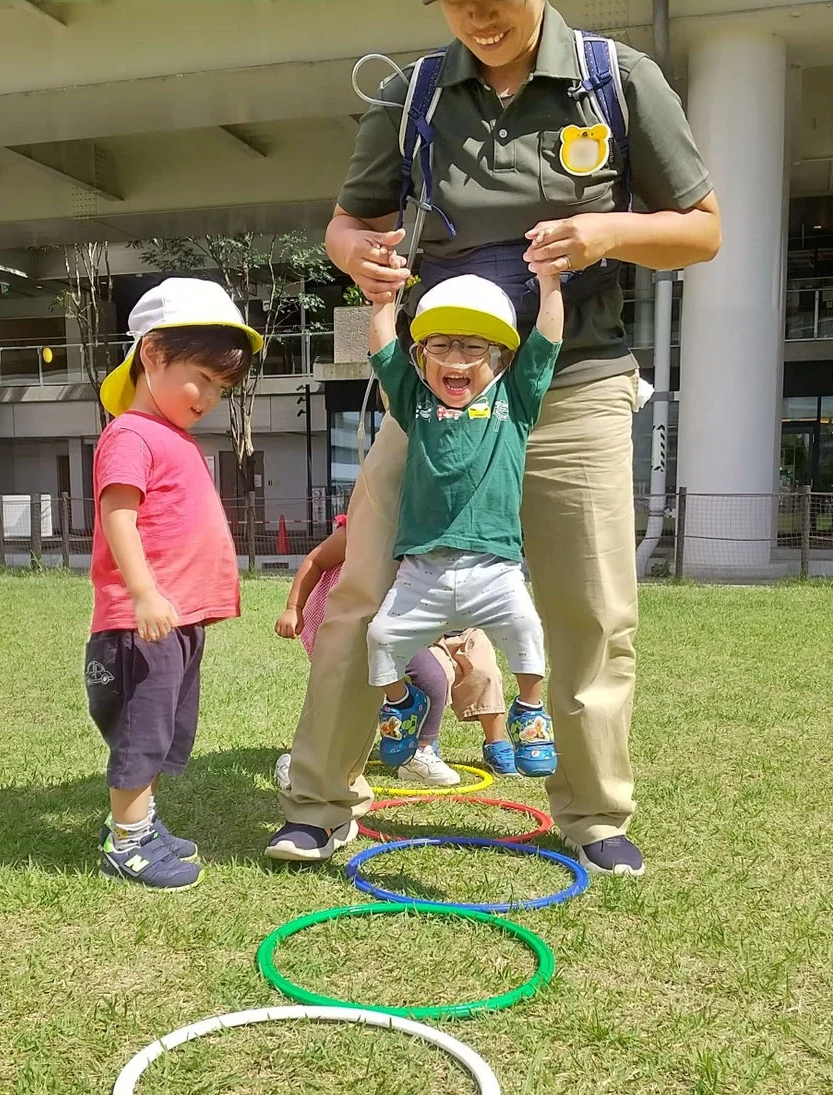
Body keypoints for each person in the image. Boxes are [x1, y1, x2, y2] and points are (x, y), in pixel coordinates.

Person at [270, 0, 720, 874]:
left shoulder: (617, 82)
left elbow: (702, 229)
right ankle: (320, 803)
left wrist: (609, 233)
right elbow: (347, 223)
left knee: (588, 609)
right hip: (439, 390)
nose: (477, 12)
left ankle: (592, 814)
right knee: (362, 591)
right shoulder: (414, 95)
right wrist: (355, 255)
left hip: (575, 382)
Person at [87, 278, 260, 891]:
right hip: (143, 622)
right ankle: (127, 842)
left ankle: (142, 823)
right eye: (204, 379)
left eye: (222, 388)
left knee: (164, 732)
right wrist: (142, 592)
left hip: (175, 619)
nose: (211, 396)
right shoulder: (131, 434)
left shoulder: (172, 437)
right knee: (141, 732)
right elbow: (118, 516)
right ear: (153, 353)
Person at [363, 270, 559, 777]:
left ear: (500, 359)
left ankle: (531, 712)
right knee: (381, 637)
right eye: (441, 346)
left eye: (473, 347)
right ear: (422, 356)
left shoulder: (513, 402)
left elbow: (547, 342)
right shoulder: (417, 405)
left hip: (493, 567)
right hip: (421, 569)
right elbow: (384, 353)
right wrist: (383, 302)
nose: (455, 360)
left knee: (527, 631)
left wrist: (551, 284)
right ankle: (402, 705)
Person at [274, 515, 516, 787]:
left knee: (434, 678)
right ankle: (300, 763)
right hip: (349, 626)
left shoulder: (432, 529)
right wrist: (294, 607)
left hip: (399, 629)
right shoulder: (362, 528)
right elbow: (316, 560)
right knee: (345, 699)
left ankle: (420, 752)